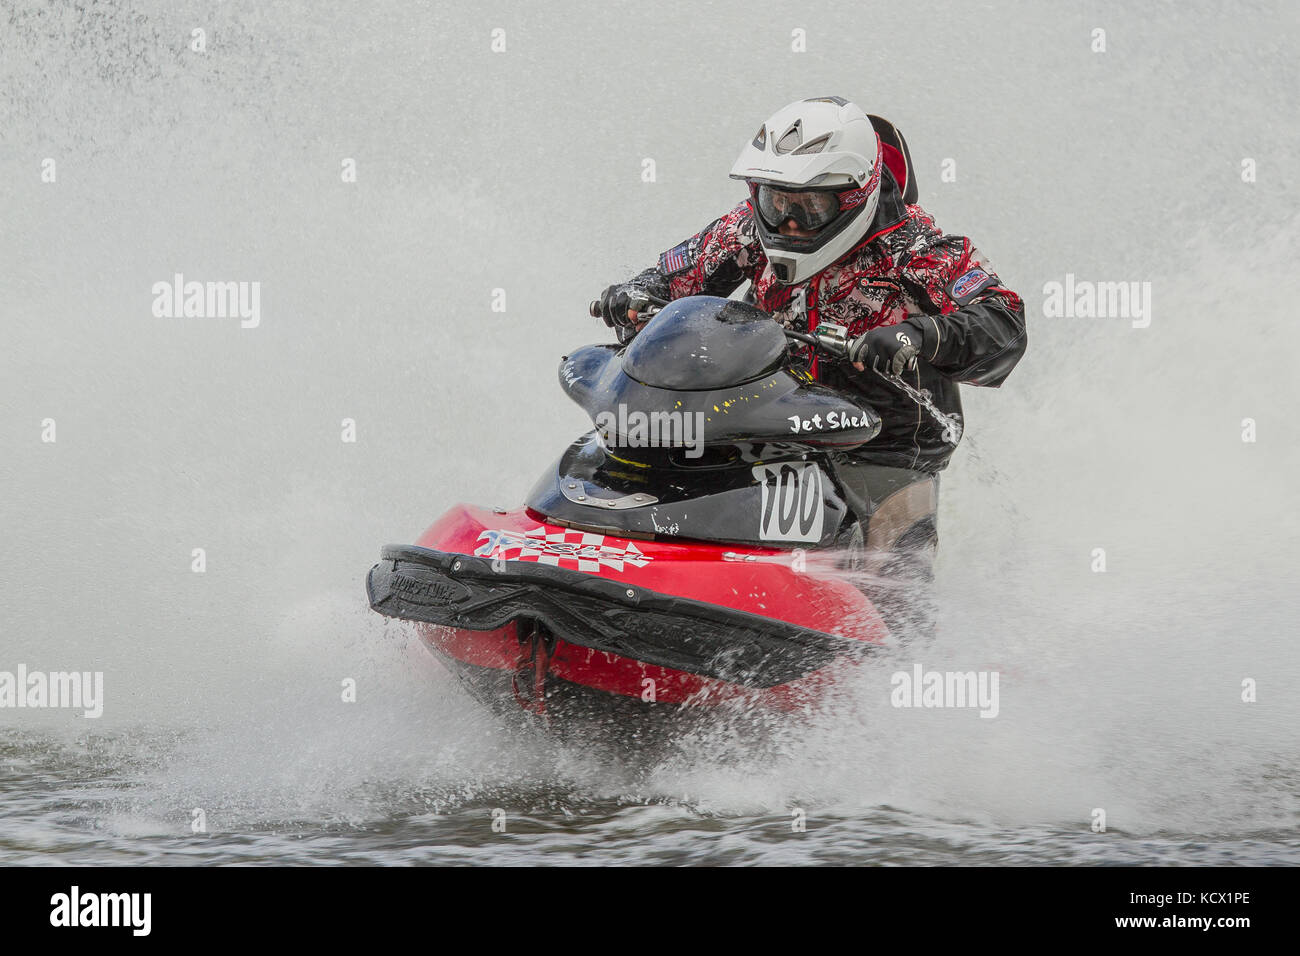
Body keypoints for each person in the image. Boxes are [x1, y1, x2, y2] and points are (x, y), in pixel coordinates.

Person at [595, 96, 1027, 477]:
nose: (789, 222)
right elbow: (673, 277)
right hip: (756, 426)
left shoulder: (917, 248)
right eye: (776, 201)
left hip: (883, 453)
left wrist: (916, 335)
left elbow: (1003, 318)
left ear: (855, 194)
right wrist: (635, 296)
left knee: (894, 550)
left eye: (811, 205)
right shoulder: (746, 228)